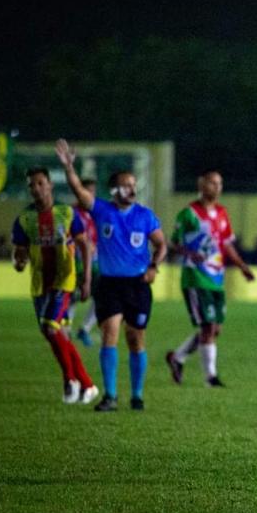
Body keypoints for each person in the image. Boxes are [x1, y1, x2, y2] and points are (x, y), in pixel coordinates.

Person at [56, 138, 167, 411]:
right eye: (126, 184)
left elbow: (161, 244)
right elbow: (79, 191)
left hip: (138, 285)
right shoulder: (102, 210)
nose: (132, 188)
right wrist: (70, 167)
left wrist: (154, 266)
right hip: (110, 285)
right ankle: (111, 396)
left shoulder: (145, 215)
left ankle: (137, 394)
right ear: (115, 189)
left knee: (136, 338)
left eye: (133, 184)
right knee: (110, 334)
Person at [11, 167, 99, 405]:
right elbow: (19, 251)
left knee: (51, 328)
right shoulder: (24, 219)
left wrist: (87, 278)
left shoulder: (66, 213)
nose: (36, 189)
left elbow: (84, 245)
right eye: (32, 185)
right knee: (58, 334)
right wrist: (18, 262)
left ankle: (70, 381)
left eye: (40, 183)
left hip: (65, 279)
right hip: (40, 283)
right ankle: (88, 384)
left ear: (50, 185)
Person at [165, 169, 255, 387]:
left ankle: (177, 357)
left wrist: (242, 266)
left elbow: (225, 244)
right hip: (195, 277)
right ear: (201, 184)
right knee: (208, 328)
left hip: (216, 277)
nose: (217, 187)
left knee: (215, 329)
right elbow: (173, 243)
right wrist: (189, 253)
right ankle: (210, 377)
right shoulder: (188, 214)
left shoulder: (222, 213)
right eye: (212, 183)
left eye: (220, 183)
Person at [67, 178, 100, 347]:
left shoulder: (97, 211)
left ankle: (84, 329)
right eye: (88, 191)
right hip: (75, 262)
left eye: (93, 192)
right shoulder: (71, 212)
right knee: (73, 296)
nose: (90, 195)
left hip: (95, 262)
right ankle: (66, 332)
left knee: (102, 297)